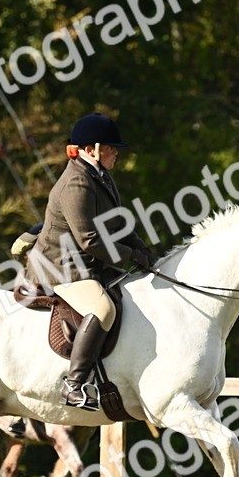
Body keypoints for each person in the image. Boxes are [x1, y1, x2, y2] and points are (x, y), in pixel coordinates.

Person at [24, 112, 156, 410]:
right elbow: (89, 239)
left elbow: (118, 224)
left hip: (86, 263)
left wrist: (144, 250)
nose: (116, 153)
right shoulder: (76, 183)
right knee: (103, 308)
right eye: (110, 148)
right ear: (91, 149)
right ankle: (74, 385)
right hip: (61, 268)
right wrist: (129, 257)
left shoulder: (101, 177)